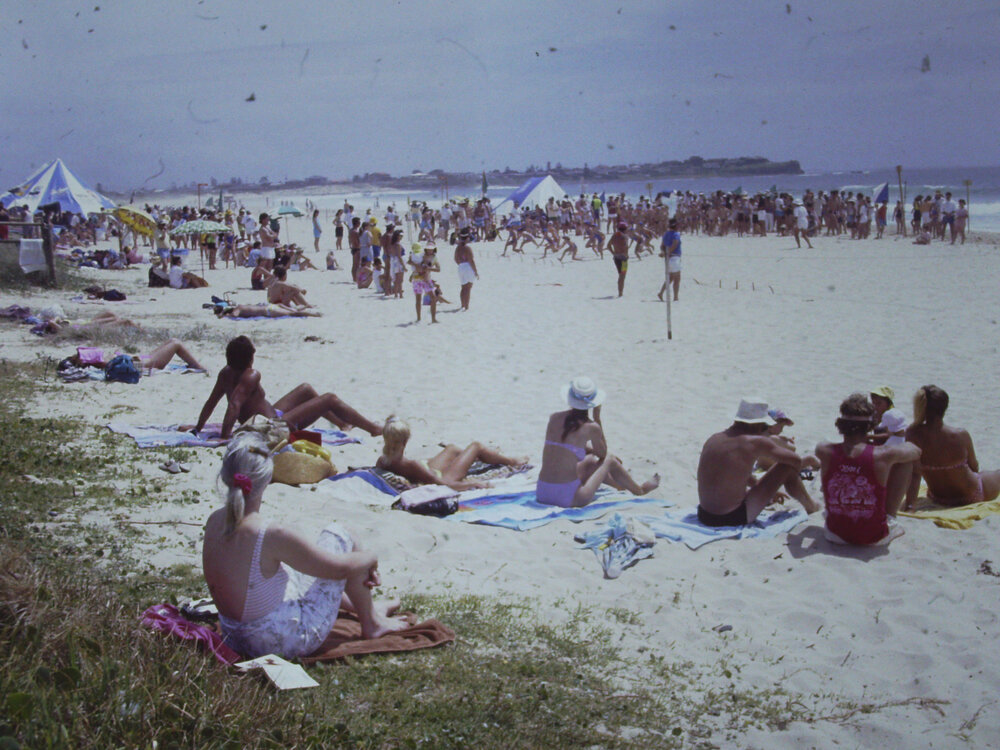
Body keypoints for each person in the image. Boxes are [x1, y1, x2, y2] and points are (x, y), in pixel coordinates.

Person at [203, 432, 406, 658]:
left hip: (235, 637)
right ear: (268, 479)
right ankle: (372, 622)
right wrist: (370, 557)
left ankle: (367, 608)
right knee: (341, 534)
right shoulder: (270, 533)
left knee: (290, 567)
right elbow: (338, 568)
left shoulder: (214, 521)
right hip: (280, 642)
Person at [190, 336, 384, 440]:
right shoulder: (251, 375)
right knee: (329, 398)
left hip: (271, 416)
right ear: (250, 358)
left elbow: (211, 403)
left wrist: (198, 428)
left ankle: (342, 424)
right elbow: (234, 404)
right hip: (271, 427)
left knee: (306, 389)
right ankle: (373, 428)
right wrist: (225, 436)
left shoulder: (225, 373)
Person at [697, 397, 821, 527]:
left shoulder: (714, 438)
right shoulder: (755, 441)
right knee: (787, 466)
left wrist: (768, 488)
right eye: (765, 426)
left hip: (704, 514)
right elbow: (794, 460)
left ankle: (807, 503)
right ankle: (811, 506)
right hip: (731, 518)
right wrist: (778, 479)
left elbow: (738, 473)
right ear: (759, 424)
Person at [536, 377, 659, 507]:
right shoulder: (591, 427)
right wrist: (597, 418)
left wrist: (590, 450)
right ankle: (640, 490)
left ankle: (619, 485)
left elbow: (566, 446)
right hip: (568, 499)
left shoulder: (554, 418)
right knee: (610, 459)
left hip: (542, 492)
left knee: (590, 461)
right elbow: (603, 454)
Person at [815, 393, 920, 545]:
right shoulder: (883, 454)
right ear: (870, 426)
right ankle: (890, 516)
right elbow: (916, 451)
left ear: (840, 424)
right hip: (874, 536)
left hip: (834, 533)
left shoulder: (823, 450)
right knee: (905, 461)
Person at [904, 385, 1000, 508]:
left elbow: (915, 474)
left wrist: (910, 505)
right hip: (971, 496)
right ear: (945, 407)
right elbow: (974, 467)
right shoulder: (960, 435)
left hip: (937, 497)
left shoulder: (912, 434)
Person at [377, 417, 528, 491]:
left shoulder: (383, 460)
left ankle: (482, 457)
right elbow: (444, 484)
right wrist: (473, 484)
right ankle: (511, 461)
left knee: (452, 449)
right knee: (476, 446)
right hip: (442, 476)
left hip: (427, 468)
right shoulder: (412, 465)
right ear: (405, 441)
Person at [409, 244, 439, 323]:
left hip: (422, 278)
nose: (430, 251)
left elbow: (438, 269)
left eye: (431, 249)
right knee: (419, 299)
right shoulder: (422, 256)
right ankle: (419, 318)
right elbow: (418, 267)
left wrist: (429, 268)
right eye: (428, 249)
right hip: (420, 279)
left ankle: (432, 318)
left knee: (432, 298)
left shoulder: (433, 258)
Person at [453, 228, 478, 311]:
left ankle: (462, 305)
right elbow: (471, 260)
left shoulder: (458, 248)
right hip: (467, 267)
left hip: (460, 267)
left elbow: (455, 259)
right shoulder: (467, 248)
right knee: (468, 287)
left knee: (463, 287)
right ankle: (466, 306)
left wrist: (461, 264)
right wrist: (476, 271)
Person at [658, 218, 681, 302]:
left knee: (670, 278)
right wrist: (667, 253)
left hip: (668, 259)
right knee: (677, 278)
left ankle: (661, 293)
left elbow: (662, 246)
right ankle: (675, 297)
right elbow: (675, 244)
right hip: (674, 257)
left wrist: (663, 252)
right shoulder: (676, 234)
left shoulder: (666, 234)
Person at [216, 303, 321, 319]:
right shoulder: (241, 305)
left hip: (268, 311)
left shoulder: (238, 308)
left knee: (294, 314)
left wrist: (224, 315)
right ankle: (306, 305)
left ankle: (314, 314)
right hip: (270, 306)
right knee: (293, 309)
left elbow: (234, 315)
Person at [608, 222, 630, 297]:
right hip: (623, 258)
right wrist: (626, 255)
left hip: (616, 257)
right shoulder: (625, 236)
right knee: (622, 276)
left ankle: (620, 292)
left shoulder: (614, 235)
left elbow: (608, 246)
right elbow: (626, 247)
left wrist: (613, 253)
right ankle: (620, 293)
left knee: (620, 275)